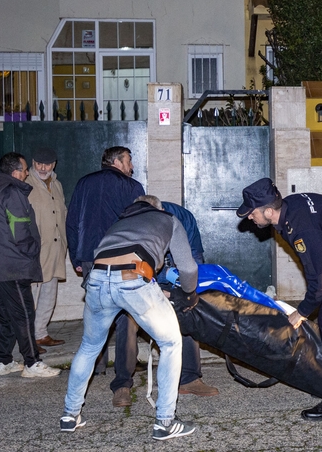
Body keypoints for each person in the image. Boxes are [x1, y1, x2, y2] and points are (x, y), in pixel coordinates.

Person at [60, 196, 199, 441]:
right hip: (134, 278)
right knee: (171, 343)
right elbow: (188, 268)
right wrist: (189, 294)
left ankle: (70, 415)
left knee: (90, 345)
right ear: (157, 207)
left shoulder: (118, 223)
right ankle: (165, 422)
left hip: (97, 280)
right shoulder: (168, 219)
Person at [237, 178, 322, 421]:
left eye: (252, 212)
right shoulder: (290, 209)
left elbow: (319, 283)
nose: (250, 217)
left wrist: (301, 312)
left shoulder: (300, 227)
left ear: (269, 211)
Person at [65, 145, 146, 407]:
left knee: (96, 312)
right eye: (129, 160)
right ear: (118, 161)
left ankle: (96, 367)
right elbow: (140, 226)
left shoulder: (83, 183)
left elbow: (71, 221)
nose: (131, 166)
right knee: (125, 319)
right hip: (122, 259)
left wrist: (77, 259)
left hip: (91, 258)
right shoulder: (132, 187)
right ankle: (122, 382)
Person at [0, 152, 61, 379]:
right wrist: (33, 251)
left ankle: (3, 361)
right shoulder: (13, 192)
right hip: (14, 264)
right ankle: (32, 363)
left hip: (0, 265)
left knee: (5, 316)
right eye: (25, 170)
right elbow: (21, 230)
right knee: (25, 314)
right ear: (16, 172)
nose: (27, 173)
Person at [154, 199, 218, 396]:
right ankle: (124, 382)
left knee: (186, 312)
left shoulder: (183, 218)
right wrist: (163, 277)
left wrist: (187, 289)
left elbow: (193, 259)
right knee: (128, 323)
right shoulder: (141, 221)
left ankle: (189, 378)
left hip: (177, 267)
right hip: (139, 274)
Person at [27, 147, 68, 349]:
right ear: (32, 162)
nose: (43, 168)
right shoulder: (25, 184)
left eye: (48, 164)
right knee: (31, 296)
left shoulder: (57, 185)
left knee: (49, 294)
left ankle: (41, 333)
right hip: (35, 251)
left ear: (54, 164)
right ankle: (27, 338)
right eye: (39, 163)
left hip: (55, 249)